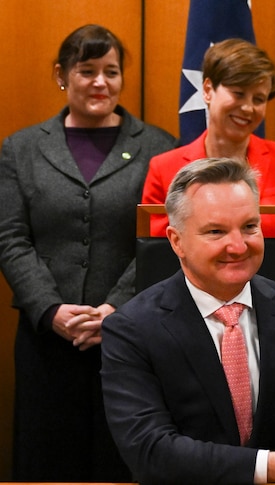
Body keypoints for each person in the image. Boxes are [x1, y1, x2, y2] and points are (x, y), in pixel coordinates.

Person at [101, 157, 275, 485]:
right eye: (216, 231)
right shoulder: (132, 329)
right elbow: (151, 452)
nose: (239, 246)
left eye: (250, 227)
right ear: (176, 241)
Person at [0, 24, 176, 481]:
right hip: (46, 341)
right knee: (46, 462)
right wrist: (51, 309)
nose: (101, 82)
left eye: (111, 71)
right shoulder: (21, 149)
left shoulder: (158, 147)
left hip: (130, 335)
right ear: (62, 75)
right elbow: (11, 237)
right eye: (87, 70)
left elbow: (162, 238)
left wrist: (114, 309)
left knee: (120, 460)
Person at [141, 38, 275, 266]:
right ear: (208, 90)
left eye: (258, 99)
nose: (248, 107)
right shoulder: (164, 169)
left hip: (273, 297)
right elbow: (156, 256)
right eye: (238, 93)